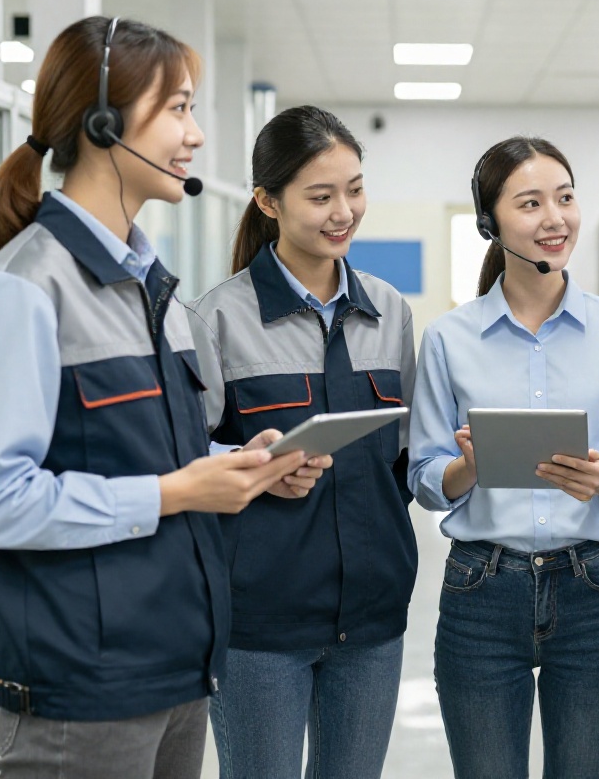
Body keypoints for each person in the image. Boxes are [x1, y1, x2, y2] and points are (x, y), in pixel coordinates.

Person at [0, 16, 321, 779]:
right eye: (178, 109)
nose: (196, 135)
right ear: (106, 125)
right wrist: (174, 492)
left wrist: (237, 467)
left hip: (175, 666)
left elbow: (153, 461)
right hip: (82, 687)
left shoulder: (156, 294)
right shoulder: (23, 291)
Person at [408, 136, 599, 779]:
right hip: (480, 590)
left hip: (594, 589)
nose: (555, 218)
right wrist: (468, 469)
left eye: (566, 198)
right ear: (490, 225)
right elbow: (424, 477)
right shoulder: (449, 338)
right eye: (530, 203)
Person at [188, 106, 415, 778]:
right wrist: (251, 466)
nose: (344, 210)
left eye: (354, 189)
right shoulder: (215, 318)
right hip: (259, 627)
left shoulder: (390, 312)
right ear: (267, 200)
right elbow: (180, 461)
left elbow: (398, 459)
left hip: (372, 619)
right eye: (321, 196)